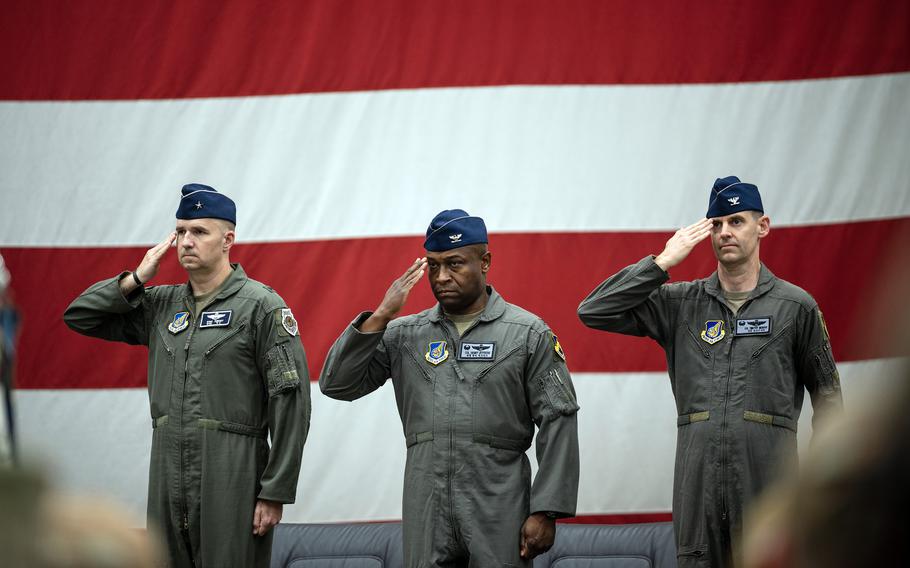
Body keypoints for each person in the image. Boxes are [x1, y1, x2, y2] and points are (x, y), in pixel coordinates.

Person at [577, 176, 843, 568]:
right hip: (698, 484)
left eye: (736, 221)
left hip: (770, 483)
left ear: (762, 226)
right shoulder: (681, 303)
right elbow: (594, 310)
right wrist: (661, 263)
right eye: (716, 225)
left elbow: (830, 401)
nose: (724, 232)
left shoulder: (795, 306)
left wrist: (824, 488)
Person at [64, 184, 311, 568]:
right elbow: (80, 315)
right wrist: (136, 278)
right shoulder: (161, 305)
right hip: (167, 468)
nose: (186, 242)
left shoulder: (261, 307)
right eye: (180, 232)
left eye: (199, 232)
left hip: (232, 471)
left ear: (228, 239)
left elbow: (291, 402)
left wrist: (274, 490)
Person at [320, 209, 580, 567]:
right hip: (427, 501)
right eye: (433, 266)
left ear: (484, 261)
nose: (442, 277)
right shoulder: (404, 335)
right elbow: (337, 384)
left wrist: (547, 509)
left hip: (497, 501)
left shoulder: (526, 333)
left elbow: (559, 418)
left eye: (454, 264)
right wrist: (380, 315)